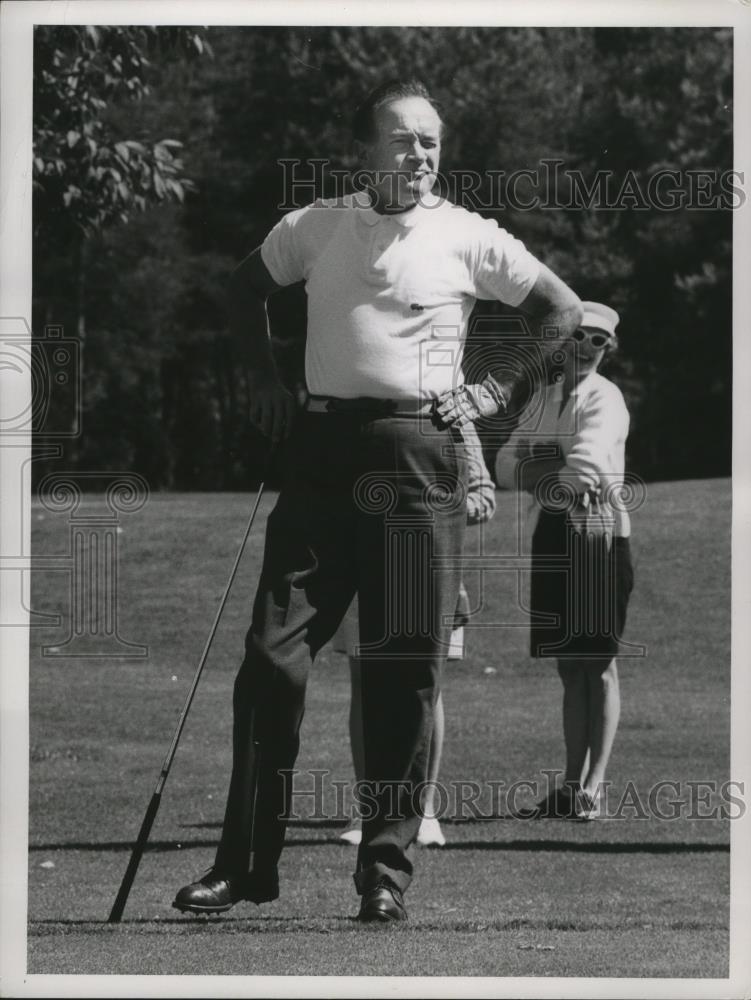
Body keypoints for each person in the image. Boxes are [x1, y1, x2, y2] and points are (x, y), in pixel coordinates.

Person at [173, 79, 582, 924]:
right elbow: (234, 289)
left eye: (431, 142)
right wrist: (267, 383)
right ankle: (245, 867)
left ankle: (385, 875)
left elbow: (562, 313)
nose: (420, 155)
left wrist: (493, 388)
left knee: (403, 674)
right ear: (366, 152)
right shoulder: (316, 226)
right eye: (403, 140)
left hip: (418, 460)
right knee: (270, 661)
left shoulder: (466, 234)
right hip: (320, 454)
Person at [498, 302, 634, 820]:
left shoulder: (608, 399)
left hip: (599, 535)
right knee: (567, 666)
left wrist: (546, 463)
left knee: (597, 666)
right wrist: (551, 464)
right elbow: (506, 464)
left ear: (608, 348)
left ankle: (593, 788)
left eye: (596, 340)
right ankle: (569, 783)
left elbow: (588, 465)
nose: (584, 347)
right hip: (554, 532)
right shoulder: (543, 400)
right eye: (576, 336)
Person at [336, 421, 497, 849]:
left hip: (428, 565)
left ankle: (422, 808)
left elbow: (483, 495)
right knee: (365, 682)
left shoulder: (454, 417)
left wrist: (428, 508)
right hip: (363, 567)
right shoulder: (358, 410)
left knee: (426, 687)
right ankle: (370, 807)